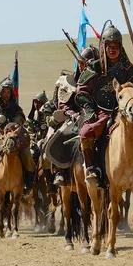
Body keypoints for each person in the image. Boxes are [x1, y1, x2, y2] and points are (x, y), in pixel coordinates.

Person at [75, 25, 133, 184]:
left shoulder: (128, 68)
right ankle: (92, 168)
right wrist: (90, 111)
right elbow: (81, 91)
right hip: (102, 111)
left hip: (126, 110)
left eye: (116, 46)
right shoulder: (94, 67)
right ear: (103, 46)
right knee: (85, 133)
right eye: (109, 46)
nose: (113, 49)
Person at [50, 45, 100, 187]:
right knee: (61, 135)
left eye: (90, 63)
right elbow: (64, 105)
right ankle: (61, 172)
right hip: (74, 118)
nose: (85, 66)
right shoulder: (68, 82)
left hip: (95, 117)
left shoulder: (100, 81)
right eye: (83, 63)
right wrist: (73, 115)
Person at [0, 77, 35, 193]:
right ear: (1, 92)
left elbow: (19, 121)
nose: (6, 94)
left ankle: (28, 184)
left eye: (9, 92)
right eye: (4, 91)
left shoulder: (16, 108)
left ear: (12, 93)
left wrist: (14, 127)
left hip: (14, 139)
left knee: (28, 157)